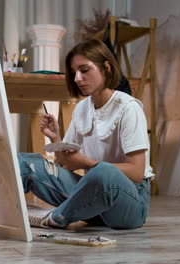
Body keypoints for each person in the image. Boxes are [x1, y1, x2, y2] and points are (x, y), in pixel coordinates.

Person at [18, 38, 154, 229]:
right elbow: (66, 163)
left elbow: (137, 172)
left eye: (84, 70)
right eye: (74, 73)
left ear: (106, 67)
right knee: (24, 162)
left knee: (103, 173)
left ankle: (56, 218)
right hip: (93, 199)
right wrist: (55, 138)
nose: (77, 79)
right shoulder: (82, 108)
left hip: (129, 203)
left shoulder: (128, 107)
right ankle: (4, 215)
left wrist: (87, 164)